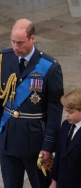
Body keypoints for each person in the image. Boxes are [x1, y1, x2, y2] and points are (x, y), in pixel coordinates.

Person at [0, 19, 64, 188]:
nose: (15, 47)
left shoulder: (49, 67)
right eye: (13, 42)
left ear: (32, 39)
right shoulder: (3, 59)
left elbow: (55, 109)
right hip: (8, 139)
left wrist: (48, 146)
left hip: (34, 141)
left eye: (20, 43)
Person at [50, 88, 81, 188]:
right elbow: (59, 154)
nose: (67, 115)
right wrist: (54, 180)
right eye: (66, 111)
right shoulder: (65, 125)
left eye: (71, 112)